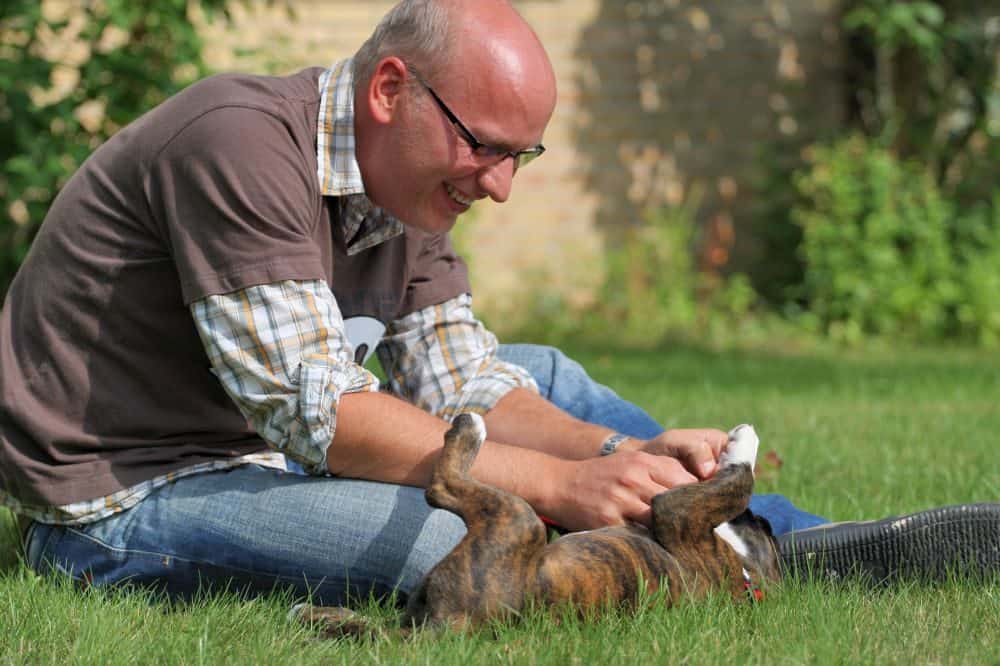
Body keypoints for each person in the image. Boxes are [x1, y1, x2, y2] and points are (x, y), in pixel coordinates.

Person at [0, 0, 995, 604]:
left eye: (522, 155)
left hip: (264, 452)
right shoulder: (238, 145)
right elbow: (317, 414)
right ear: (391, 89)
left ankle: (788, 546)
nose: (502, 184)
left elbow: (463, 376)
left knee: (545, 382)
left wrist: (617, 458)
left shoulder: (404, 181)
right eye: (487, 147)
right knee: (462, 545)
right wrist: (559, 489)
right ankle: (687, 554)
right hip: (127, 500)